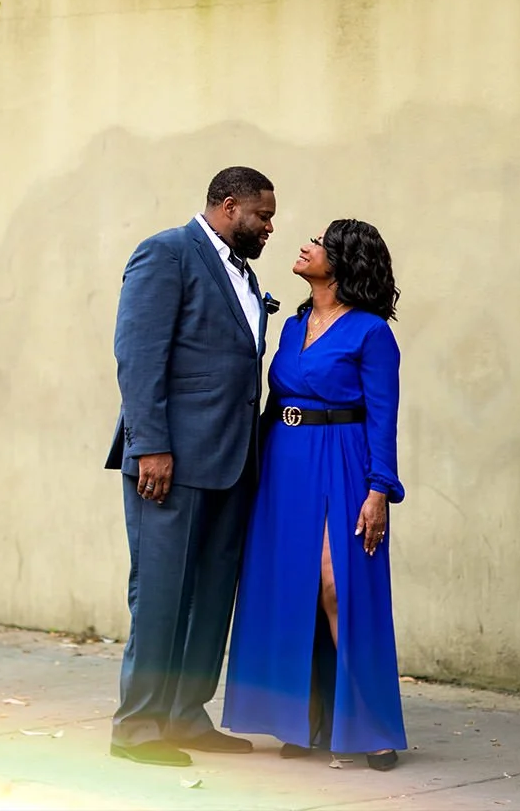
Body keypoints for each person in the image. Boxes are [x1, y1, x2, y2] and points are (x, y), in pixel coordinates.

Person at [105, 166, 278, 767]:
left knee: (209, 597)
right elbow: (137, 353)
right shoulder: (167, 253)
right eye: (263, 217)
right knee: (160, 593)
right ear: (230, 207)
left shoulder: (244, 274)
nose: (270, 228)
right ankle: (137, 727)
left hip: (232, 462)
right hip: (170, 462)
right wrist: (150, 443)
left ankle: (183, 713)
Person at [223, 219, 407, 769]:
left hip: (344, 459)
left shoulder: (372, 333)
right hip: (284, 461)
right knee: (289, 586)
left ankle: (371, 726)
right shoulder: (293, 323)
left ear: (344, 261)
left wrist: (379, 490)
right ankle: (301, 720)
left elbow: (384, 417)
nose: (306, 245)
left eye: (321, 243)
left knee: (337, 584)